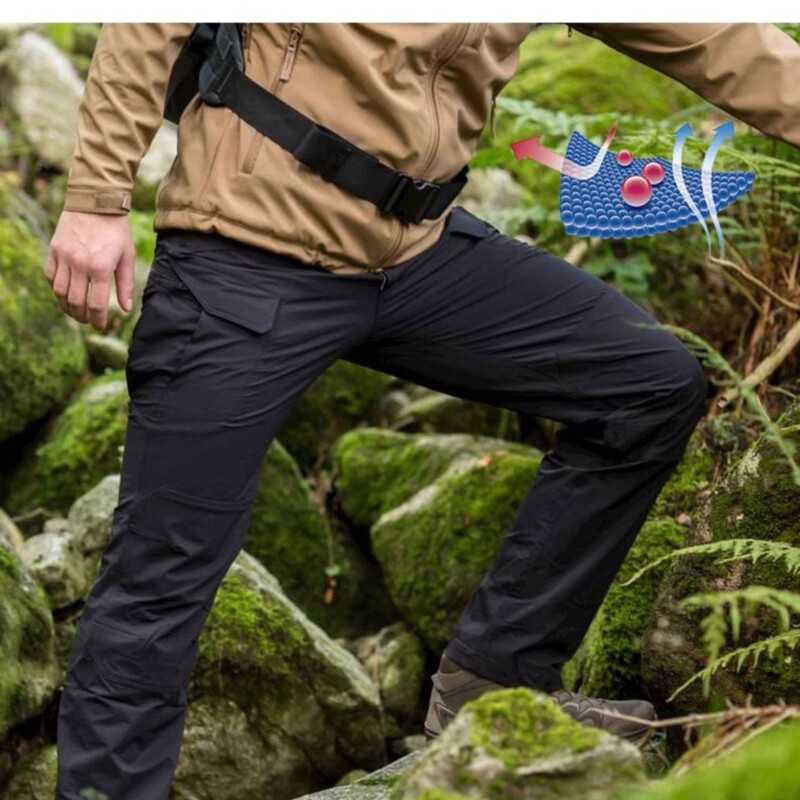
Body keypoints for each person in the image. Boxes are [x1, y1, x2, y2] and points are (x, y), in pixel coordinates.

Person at [47, 22, 800, 800]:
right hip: (245, 249)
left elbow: (713, 38)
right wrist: (97, 199)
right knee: (160, 573)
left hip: (415, 251)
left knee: (647, 383)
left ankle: (495, 678)